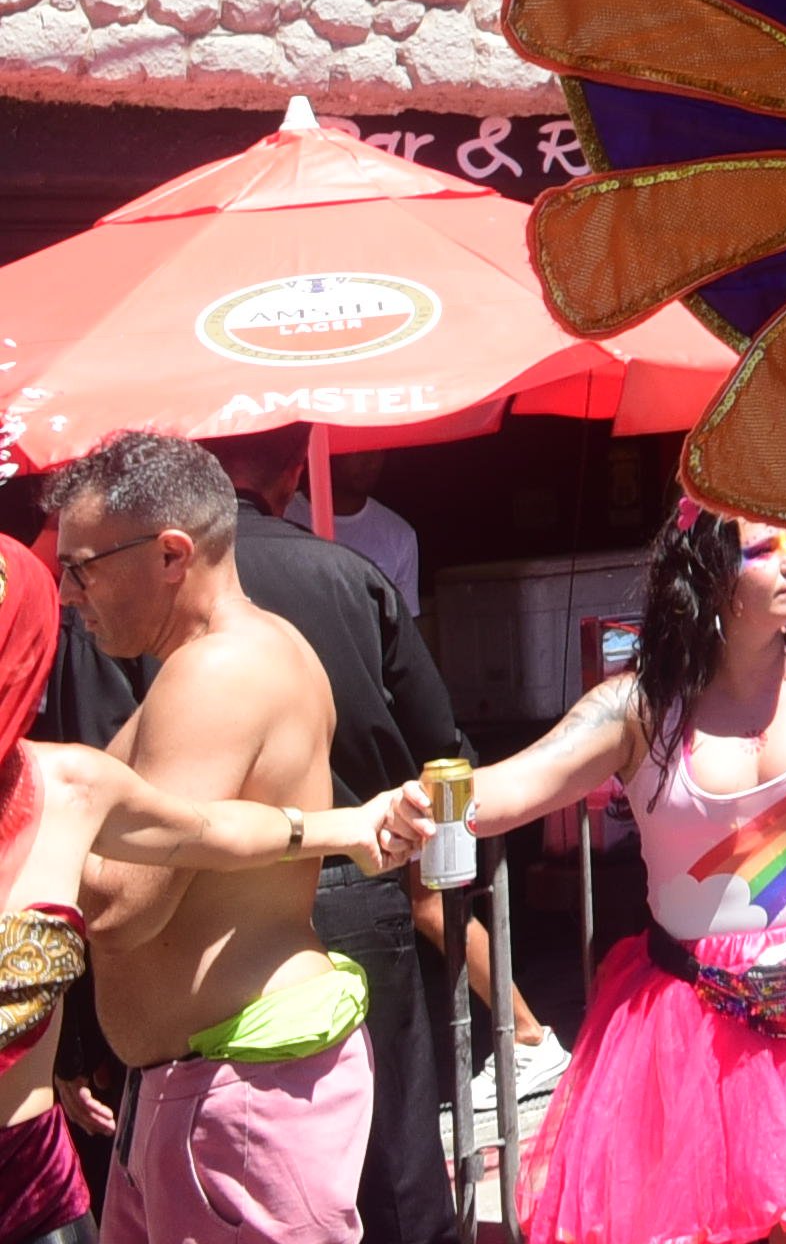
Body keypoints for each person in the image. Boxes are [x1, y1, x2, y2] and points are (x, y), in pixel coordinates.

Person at [376, 508, 786, 1244]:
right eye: (766, 551)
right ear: (710, 582)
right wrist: (422, 806)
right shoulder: (638, 710)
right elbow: (511, 790)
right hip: (703, 1028)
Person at [0, 521, 408, 1244]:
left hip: (37, 1189)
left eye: (84, 570)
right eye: (61, 577)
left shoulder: (68, 785)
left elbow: (208, 833)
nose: (72, 595)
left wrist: (342, 828)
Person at [195, 427, 500, 1244]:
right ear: (296, 471)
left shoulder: (154, 593)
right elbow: (446, 755)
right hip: (357, 892)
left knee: (233, 1168)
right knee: (393, 1163)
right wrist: (442, 876)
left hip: (202, 916)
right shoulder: (353, 577)